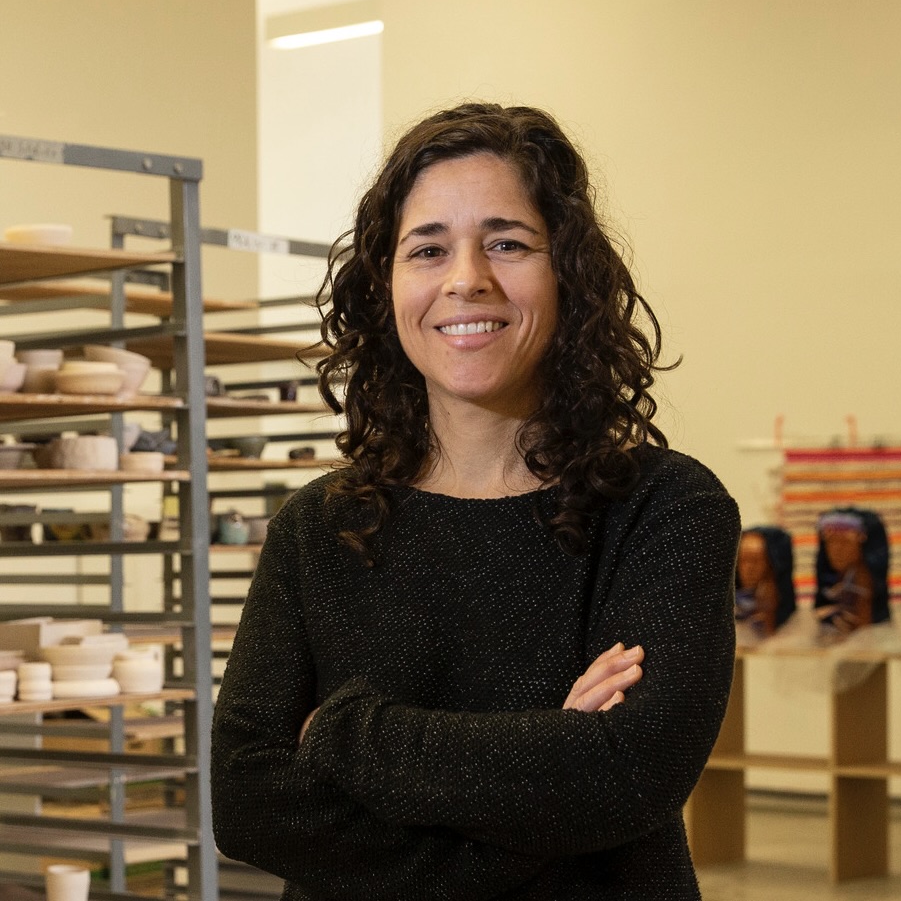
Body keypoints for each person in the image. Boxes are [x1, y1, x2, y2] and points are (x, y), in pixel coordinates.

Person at [210, 102, 741, 900]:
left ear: (569, 272)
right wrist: (542, 777)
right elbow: (249, 801)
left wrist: (342, 733)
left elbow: (626, 775)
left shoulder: (664, 509)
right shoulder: (319, 528)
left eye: (506, 242)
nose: (466, 279)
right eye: (428, 248)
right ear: (385, 286)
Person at [814, 507, 890, 642]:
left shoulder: (862, 581)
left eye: (844, 542)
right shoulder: (838, 580)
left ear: (863, 544)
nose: (835, 550)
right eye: (830, 542)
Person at [734, 526, 797, 641]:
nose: (749, 568)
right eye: (743, 560)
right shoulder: (730, 608)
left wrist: (770, 618)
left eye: (756, 561)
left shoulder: (789, 619)